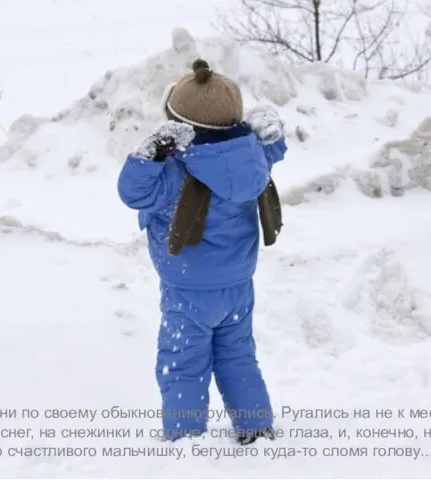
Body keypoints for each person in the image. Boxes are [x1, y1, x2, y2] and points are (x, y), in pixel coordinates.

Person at [117, 59, 287, 445]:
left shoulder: (175, 174)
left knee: (183, 366)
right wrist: (271, 132)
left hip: (187, 295)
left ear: (180, 128)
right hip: (238, 289)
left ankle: (186, 440)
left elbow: (133, 193)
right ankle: (256, 429)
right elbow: (275, 149)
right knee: (238, 357)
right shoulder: (253, 159)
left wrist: (149, 157)